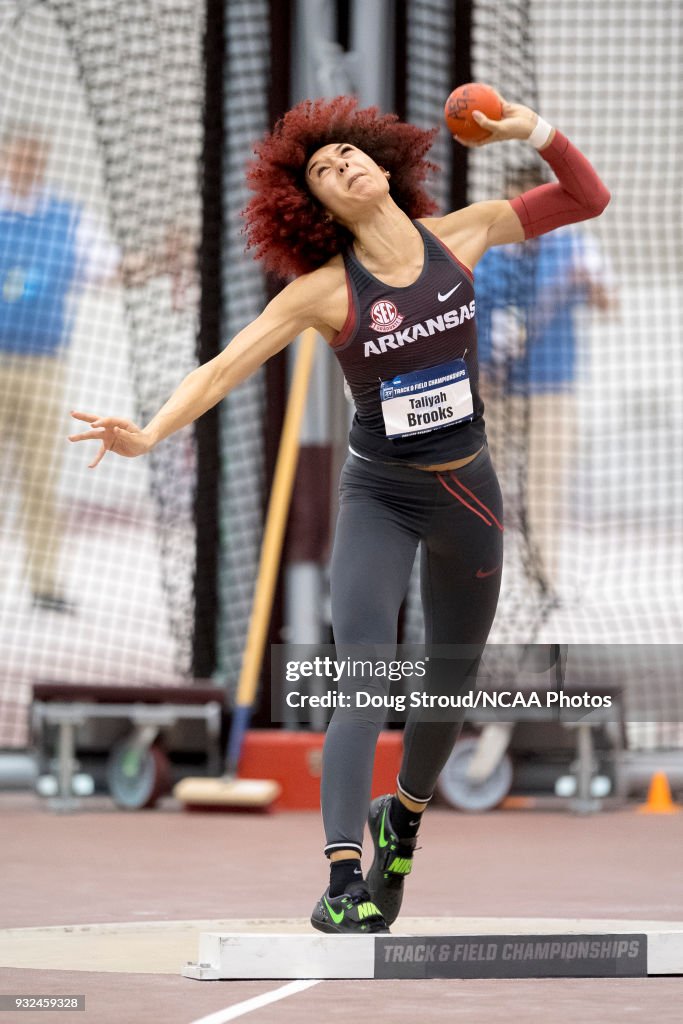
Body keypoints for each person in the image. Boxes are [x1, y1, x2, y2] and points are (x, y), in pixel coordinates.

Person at [69, 93, 610, 933]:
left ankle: (403, 823)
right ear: (315, 207)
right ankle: (342, 877)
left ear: (382, 163)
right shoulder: (322, 292)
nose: (341, 166)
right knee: (363, 675)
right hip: (379, 499)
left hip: (468, 493)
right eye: (321, 170)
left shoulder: (464, 234)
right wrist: (147, 433)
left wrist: (529, 129)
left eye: (347, 154)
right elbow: (220, 368)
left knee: (446, 689)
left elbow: (587, 198)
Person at [0, 125, 189, 613]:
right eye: (16, 159)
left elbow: (111, 269)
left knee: (39, 477)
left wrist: (161, 260)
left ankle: (45, 584)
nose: (24, 168)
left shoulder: (64, 219)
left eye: (32, 160)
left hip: (42, 365)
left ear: (43, 162)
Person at [475, 165, 616, 590]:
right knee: (483, 485)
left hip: (552, 386)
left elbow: (610, 304)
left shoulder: (574, 246)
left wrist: (588, 283)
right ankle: (481, 582)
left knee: (545, 485)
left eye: (529, 202)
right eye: (513, 202)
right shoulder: (488, 251)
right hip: (493, 388)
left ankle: (545, 580)